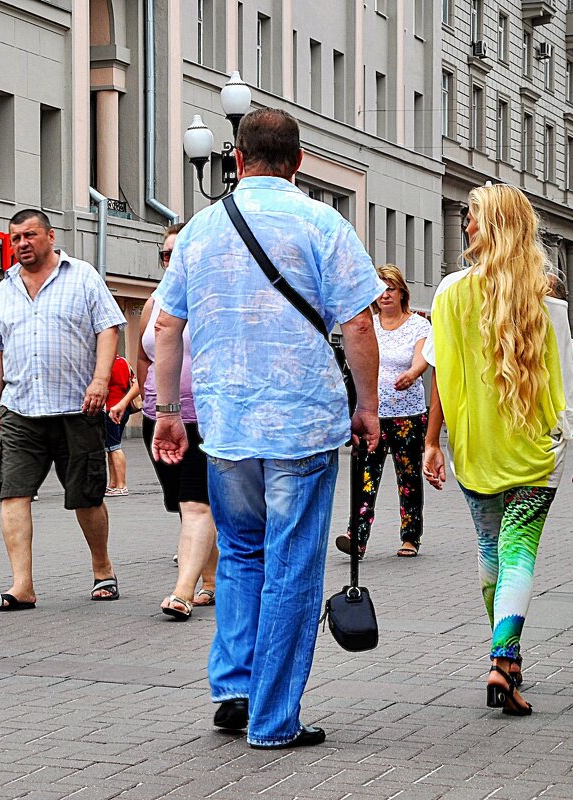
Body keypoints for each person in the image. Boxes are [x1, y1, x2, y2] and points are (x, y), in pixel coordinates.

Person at [150, 108, 382, 748]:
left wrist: (170, 413)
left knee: (242, 556)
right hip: (302, 425)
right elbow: (359, 325)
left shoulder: (199, 231)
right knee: (292, 567)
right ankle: (274, 719)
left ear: (236, 158)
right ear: (299, 161)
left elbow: (167, 327)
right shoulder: (323, 223)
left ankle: (234, 686)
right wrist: (367, 407)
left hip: (226, 426)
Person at [423, 183, 573, 716]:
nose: (467, 226)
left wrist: (433, 440)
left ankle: (506, 656)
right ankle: (504, 658)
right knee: (519, 552)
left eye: (473, 218)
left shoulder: (449, 293)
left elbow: (440, 373)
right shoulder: (545, 299)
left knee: (491, 551)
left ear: (491, 226)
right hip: (533, 447)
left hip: (476, 448)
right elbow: (566, 385)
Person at [0, 208, 126, 611]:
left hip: (77, 407)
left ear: (49, 236)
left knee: (86, 497)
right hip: (21, 410)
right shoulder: (4, 288)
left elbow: (108, 328)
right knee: (13, 494)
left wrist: (100, 380)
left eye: (29, 235)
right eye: (15, 238)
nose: (21, 244)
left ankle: (102, 570)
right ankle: (21, 586)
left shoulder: (82, 276)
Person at [138, 223, 217, 621]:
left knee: (195, 503)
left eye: (177, 253)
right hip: (160, 418)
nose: (170, 261)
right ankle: (213, 580)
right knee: (186, 506)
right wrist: (144, 398)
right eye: (165, 255)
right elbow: (143, 355)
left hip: (203, 419)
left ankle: (183, 591)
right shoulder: (155, 302)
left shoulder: (211, 297)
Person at [337, 264, 431, 558]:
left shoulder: (418, 325)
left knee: (408, 476)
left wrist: (413, 374)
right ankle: (357, 536)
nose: (385, 295)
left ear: (402, 292)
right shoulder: (369, 324)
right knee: (365, 475)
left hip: (407, 414)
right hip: (373, 413)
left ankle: (410, 536)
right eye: (380, 290)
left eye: (391, 289)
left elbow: (423, 357)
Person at [103, 353, 139, 497]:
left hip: (110, 408)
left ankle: (121, 485)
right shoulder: (123, 361)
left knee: (114, 447)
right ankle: (113, 484)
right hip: (123, 408)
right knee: (111, 447)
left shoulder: (106, 363)